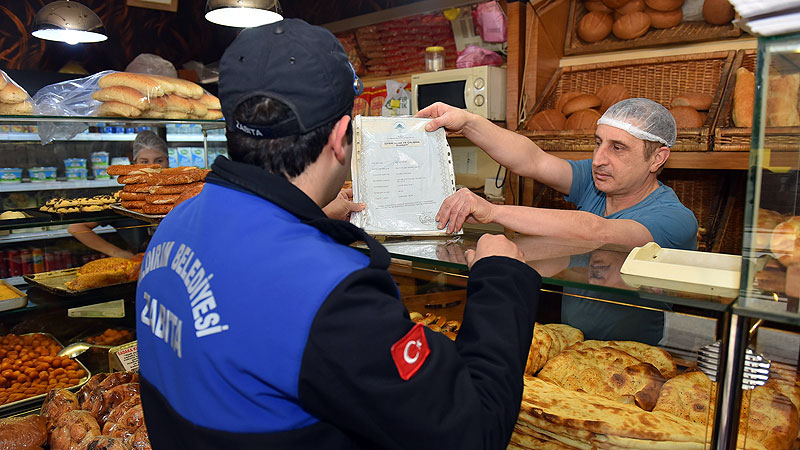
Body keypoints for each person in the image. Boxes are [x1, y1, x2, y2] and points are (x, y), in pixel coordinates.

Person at [135, 19, 541, 450]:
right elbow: (471, 430)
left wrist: (308, 221)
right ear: (340, 137)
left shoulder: (174, 224)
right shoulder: (330, 293)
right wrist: (499, 279)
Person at [418, 99, 698, 345]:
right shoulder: (597, 183)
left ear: (657, 159)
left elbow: (596, 231)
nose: (599, 159)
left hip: (632, 360)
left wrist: (492, 211)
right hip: (572, 345)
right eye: (599, 143)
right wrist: (469, 122)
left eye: (618, 148)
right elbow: (533, 161)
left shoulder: (675, 219)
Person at [67, 130, 169, 259]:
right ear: (134, 163)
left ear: (168, 162)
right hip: (140, 266)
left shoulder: (182, 193)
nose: (152, 167)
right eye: (144, 162)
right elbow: (77, 228)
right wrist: (118, 253)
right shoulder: (124, 198)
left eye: (159, 161)